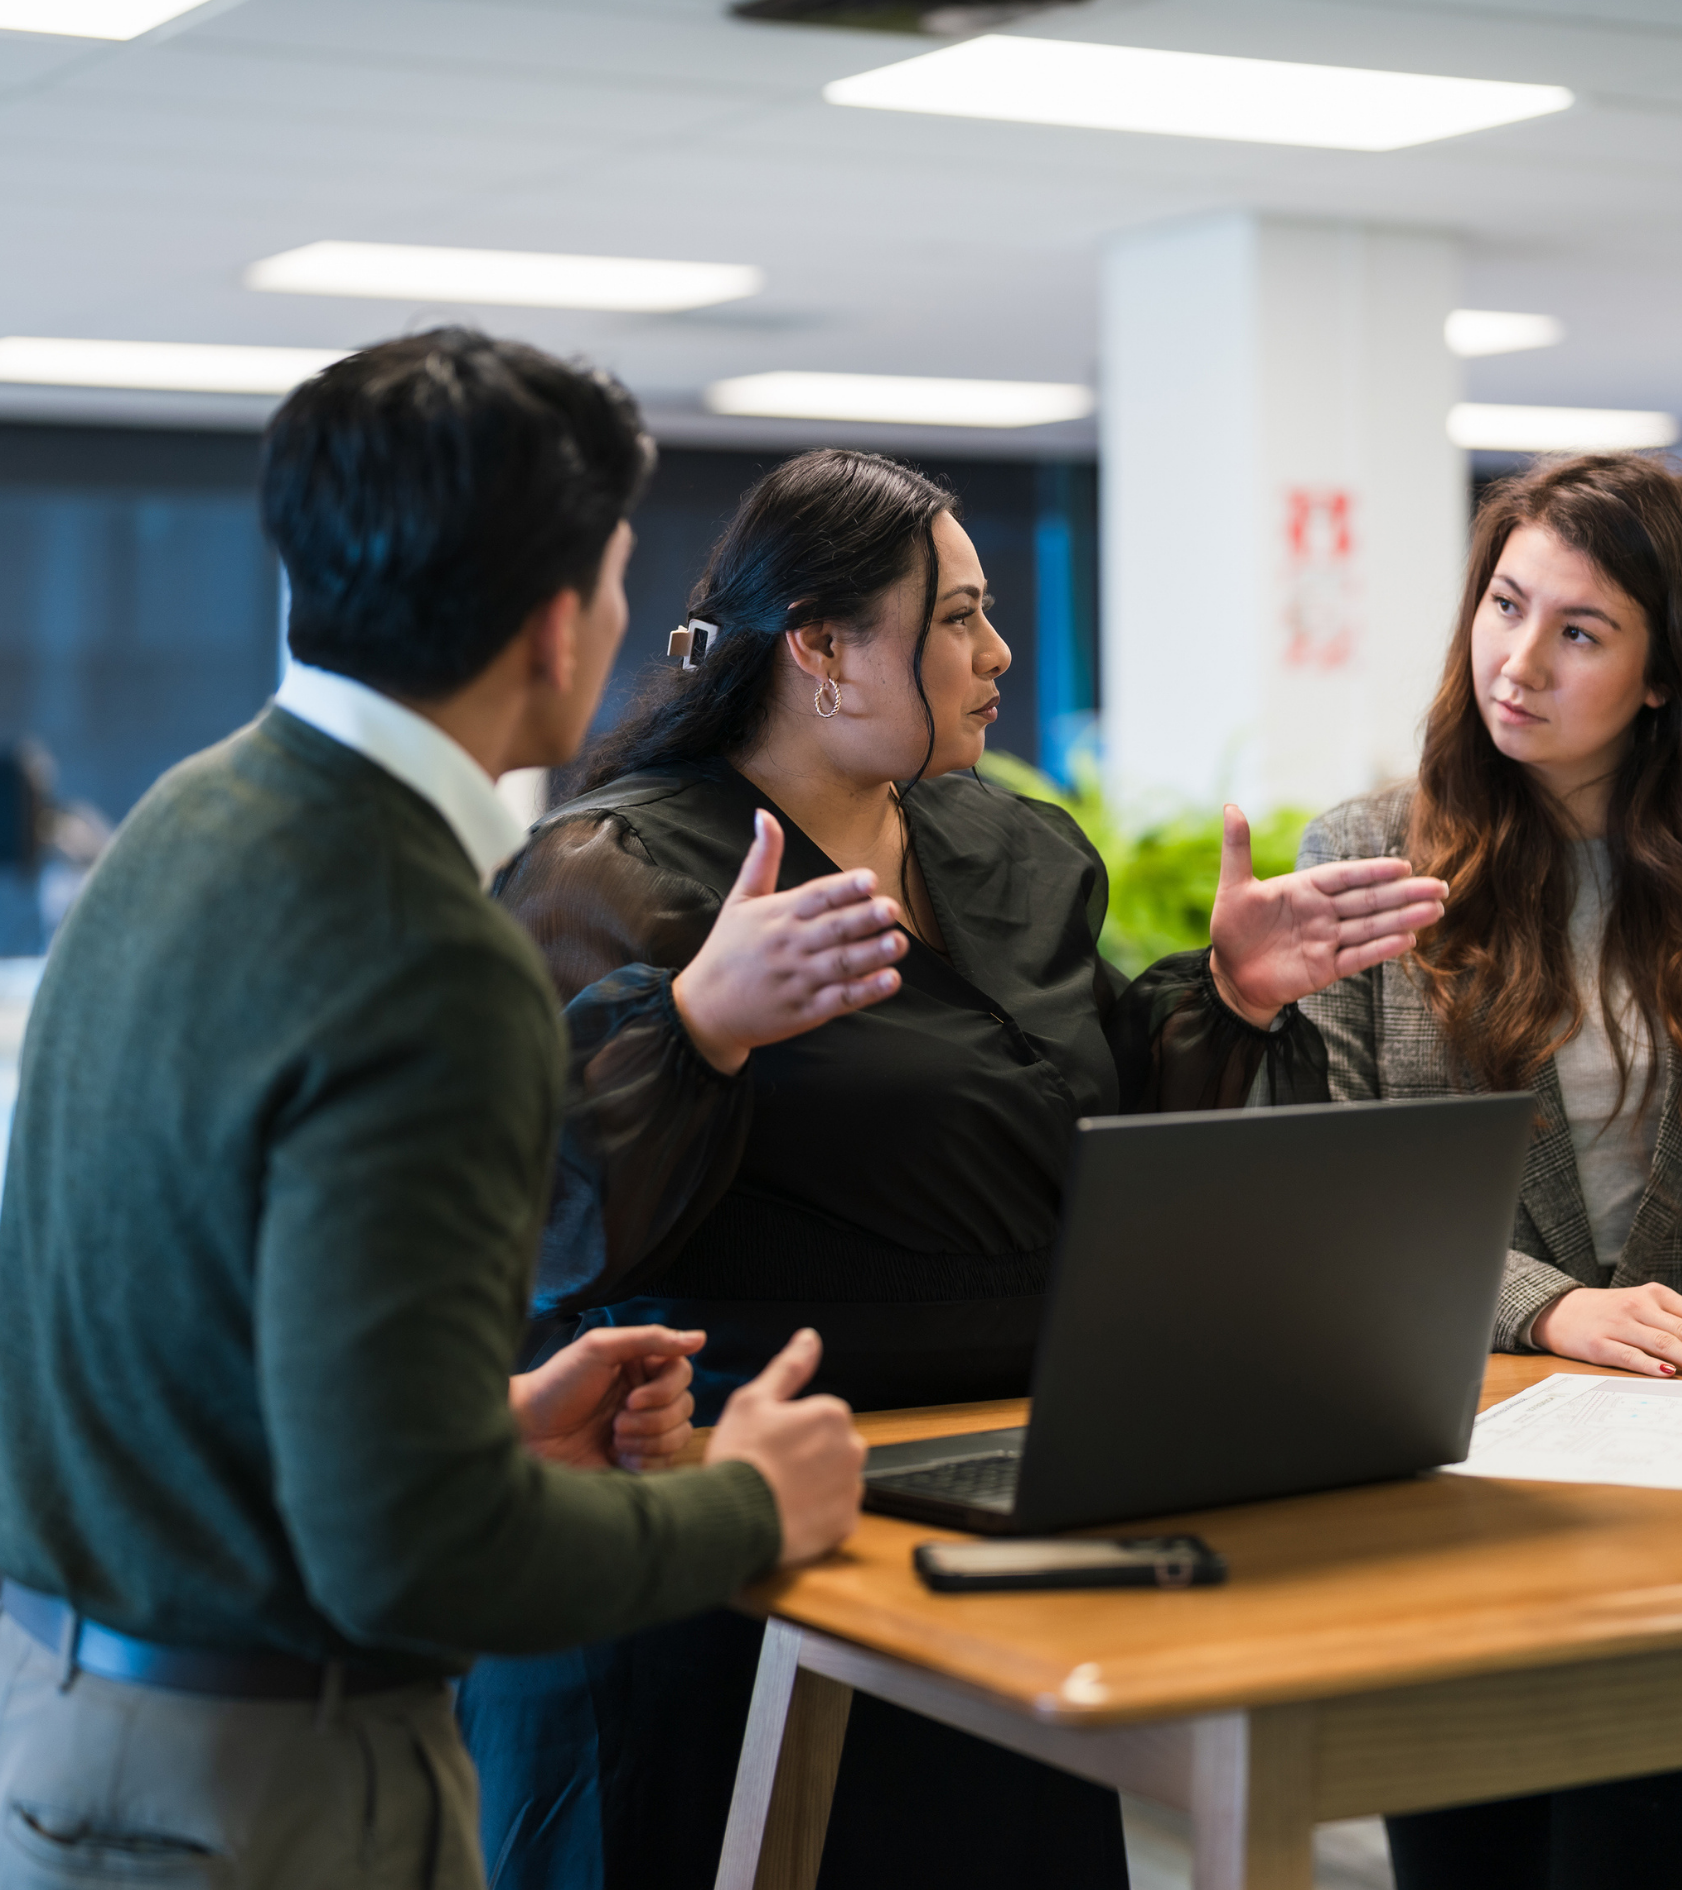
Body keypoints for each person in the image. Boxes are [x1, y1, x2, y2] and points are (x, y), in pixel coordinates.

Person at [459, 446, 1449, 1889]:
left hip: (996, 1512)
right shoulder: (613, 872)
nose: (998, 657)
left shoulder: (1017, 849)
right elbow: (533, 1227)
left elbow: (1082, 1130)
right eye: (959, 619)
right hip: (733, 1528)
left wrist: (1227, 993)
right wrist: (694, 1029)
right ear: (819, 648)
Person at [0, 330, 887, 1889]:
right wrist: (751, 1503)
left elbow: (196, 1351)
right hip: (275, 1786)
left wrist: (476, 1427)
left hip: (69, 1732)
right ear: (556, 629)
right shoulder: (431, 949)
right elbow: (417, 1553)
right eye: (619, 579)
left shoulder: (181, 818)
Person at [1293, 451, 1682, 1890]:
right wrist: (1548, 1305)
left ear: (1665, 671)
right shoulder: (1366, 855)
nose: (1515, 659)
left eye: (1577, 630)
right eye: (1505, 604)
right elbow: (1330, 1202)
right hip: (1469, 1464)